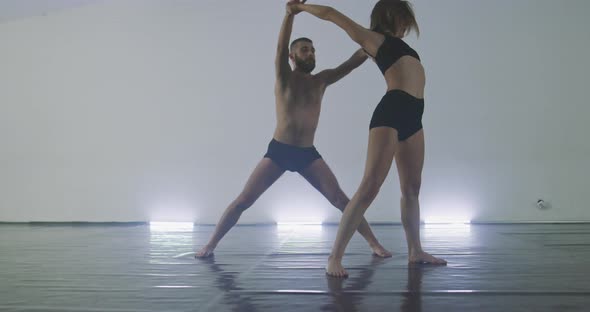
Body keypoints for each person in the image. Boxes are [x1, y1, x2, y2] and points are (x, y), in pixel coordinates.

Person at [195, 1, 391, 259]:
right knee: (244, 200)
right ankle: (210, 245)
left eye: (312, 50)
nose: (310, 54)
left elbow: (354, 62)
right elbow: (279, 46)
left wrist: (375, 40)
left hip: (307, 154)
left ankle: (374, 244)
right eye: (304, 49)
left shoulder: (322, 80)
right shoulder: (284, 76)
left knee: (342, 200)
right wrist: (290, 14)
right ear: (292, 56)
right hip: (279, 151)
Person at [290, 0, 447, 278]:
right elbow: (332, 15)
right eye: (403, 21)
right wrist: (300, 8)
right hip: (392, 111)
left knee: (412, 188)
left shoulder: (385, 46)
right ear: (391, 16)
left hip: (414, 114)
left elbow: (356, 61)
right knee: (370, 185)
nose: (405, 27)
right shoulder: (373, 38)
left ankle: (415, 250)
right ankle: (334, 257)